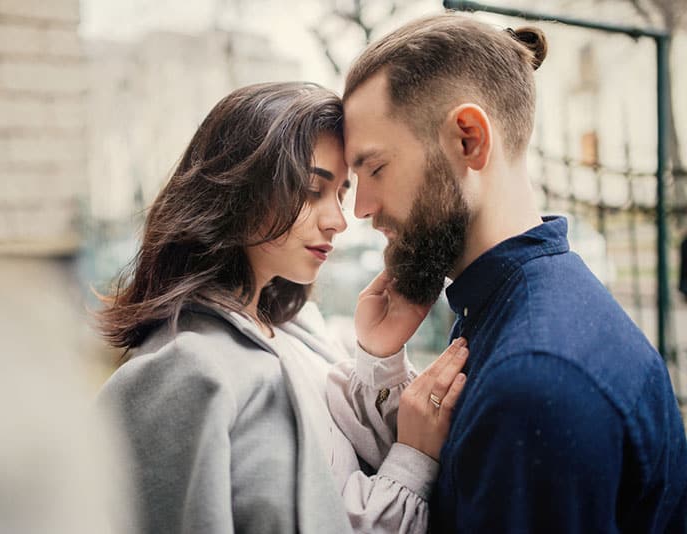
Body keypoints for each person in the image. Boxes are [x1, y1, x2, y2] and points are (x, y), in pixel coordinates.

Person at [339, 13, 687, 532]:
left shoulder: (536, 382)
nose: (361, 207)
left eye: (376, 169)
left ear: (468, 140)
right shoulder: (508, 310)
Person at [96, 81, 469, 534]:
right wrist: (413, 462)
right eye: (313, 189)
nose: (338, 220)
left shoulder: (293, 328)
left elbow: (356, 471)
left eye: (340, 193)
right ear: (238, 188)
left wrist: (378, 358)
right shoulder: (186, 370)